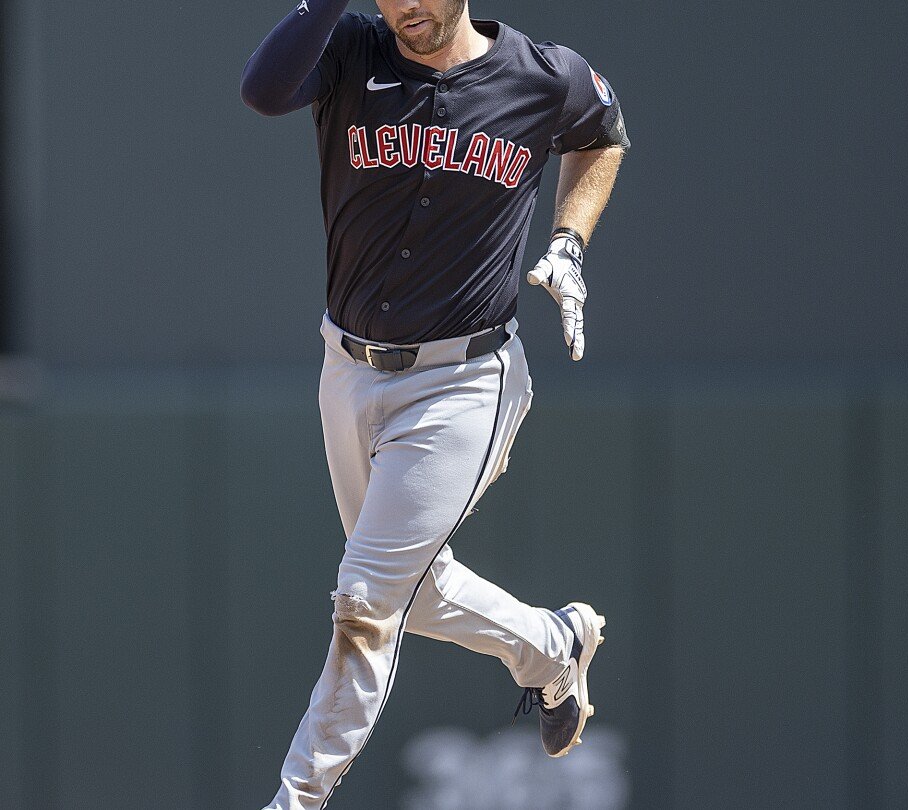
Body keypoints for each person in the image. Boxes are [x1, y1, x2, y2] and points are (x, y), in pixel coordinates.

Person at [240, 0, 628, 806]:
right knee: (415, 589)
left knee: (367, 600)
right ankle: (549, 646)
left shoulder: (537, 74)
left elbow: (601, 132)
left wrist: (568, 239)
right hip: (346, 366)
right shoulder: (351, 48)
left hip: (464, 381)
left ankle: (296, 800)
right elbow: (264, 90)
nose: (405, 5)